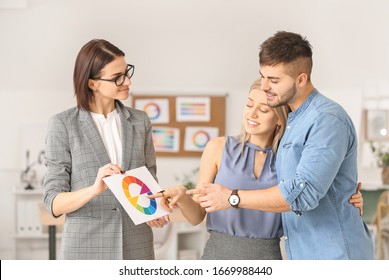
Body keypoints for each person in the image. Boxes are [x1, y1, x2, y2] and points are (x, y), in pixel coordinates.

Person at [187, 31, 374, 260]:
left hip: (334, 255)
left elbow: (302, 195)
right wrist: (345, 195)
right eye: (263, 76)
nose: (265, 87)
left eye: (274, 80)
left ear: (301, 79)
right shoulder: (293, 125)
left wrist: (232, 197)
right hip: (302, 253)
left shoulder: (326, 119)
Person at [150, 79, 364, 260]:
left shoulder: (289, 159)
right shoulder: (218, 148)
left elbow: (307, 193)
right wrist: (181, 195)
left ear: (280, 119)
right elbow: (197, 215)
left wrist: (349, 199)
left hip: (268, 257)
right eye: (249, 104)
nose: (252, 114)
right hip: (218, 255)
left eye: (263, 109)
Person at [43, 39, 168, 260]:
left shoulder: (140, 121)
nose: (127, 80)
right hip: (85, 247)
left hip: (136, 244)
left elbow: (149, 180)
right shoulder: (63, 124)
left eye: (127, 72)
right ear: (93, 83)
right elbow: (53, 201)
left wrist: (153, 209)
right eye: (117, 77)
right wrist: (93, 189)